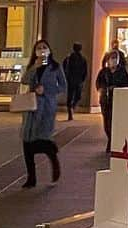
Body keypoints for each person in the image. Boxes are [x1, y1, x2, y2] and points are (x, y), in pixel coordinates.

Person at [19, 39, 67, 188]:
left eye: (44, 47)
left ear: (49, 50)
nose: (41, 50)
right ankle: (31, 178)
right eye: (39, 48)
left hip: (46, 107)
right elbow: (24, 80)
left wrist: (47, 91)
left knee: (42, 138)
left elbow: (63, 86)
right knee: (27, 141)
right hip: (31, 107)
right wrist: (34, 67)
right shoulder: (33, 66)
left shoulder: (55, 67)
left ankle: (52, 156)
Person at [95, 48, 128, 143]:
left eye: (116, 58)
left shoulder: (122, 72)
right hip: (106, 100)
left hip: (118, 100)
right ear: (108, 60)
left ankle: (112, 141)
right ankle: (110, 138)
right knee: (106, 121)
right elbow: (98, 83)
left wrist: (117, 88)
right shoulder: (103, 72)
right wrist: (103, 89)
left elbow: (127, 85)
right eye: (112, 58)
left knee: (114, 121)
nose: (114, 61)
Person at [61, 42, 88, 120]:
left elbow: (85, 70)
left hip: (77, 80)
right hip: (71, 79)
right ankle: (70, 110)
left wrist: (82, 79)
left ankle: (72, 106)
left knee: (77, 96)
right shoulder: (69, 58)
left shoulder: (82, 59)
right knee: (71, 96)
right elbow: (64, 67)